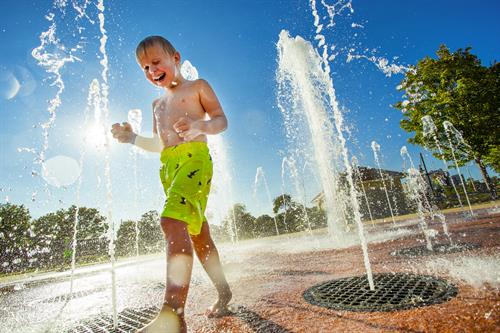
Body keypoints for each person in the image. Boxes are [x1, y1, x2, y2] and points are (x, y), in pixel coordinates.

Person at [111, 36, 232, 333]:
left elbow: (220, 121)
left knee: (170, 219)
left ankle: (173, 315)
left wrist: (198, 126)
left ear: (175, 58)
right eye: (144, 67)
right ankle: (224, 291)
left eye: (156, 62)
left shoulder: (198, 87)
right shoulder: (156, 104)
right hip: (169, 168)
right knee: (199, 234)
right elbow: (159, 144)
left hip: (195, 161)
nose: (151, 70)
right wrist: (132, 138)